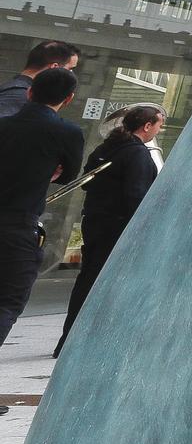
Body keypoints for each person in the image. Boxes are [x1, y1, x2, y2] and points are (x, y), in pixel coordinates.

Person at [54, 104, 165, 359]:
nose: (159, 130)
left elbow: (87, 183)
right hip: (118, 225)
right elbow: (136, 195)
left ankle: (67, 339)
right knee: (110, 282)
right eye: (159, 125)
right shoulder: (137, 154)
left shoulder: (105, 149)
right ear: (147, 126)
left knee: (87, 278)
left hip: (95, 221)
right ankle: (93, 341)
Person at [0, 67, 83, 348]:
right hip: (18, 226)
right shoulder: (67, 132)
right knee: (8, 301)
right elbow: (69, 175)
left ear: (29, 92)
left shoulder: (4, 125)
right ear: (69, 99)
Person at [0, 41, 80, 119]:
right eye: (69, 69)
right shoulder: (18, 95)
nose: (71, 74)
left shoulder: (17, 90)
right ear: (55, 67)